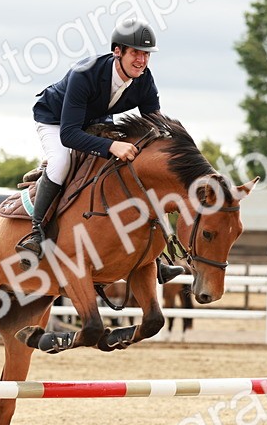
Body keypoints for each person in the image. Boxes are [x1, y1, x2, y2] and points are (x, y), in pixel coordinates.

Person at [20, 18, 184, 283]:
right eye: (135, 53)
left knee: (136, 169)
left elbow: (155, 123)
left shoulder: (144, 79)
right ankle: (36, 232)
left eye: (146, 54)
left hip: (95, 119)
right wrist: (112, 145)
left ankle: (156, 257)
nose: (141, 60)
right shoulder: (85, 73)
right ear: (117, 51)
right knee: (61, 162)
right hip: (56, 119)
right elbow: (69, 134)